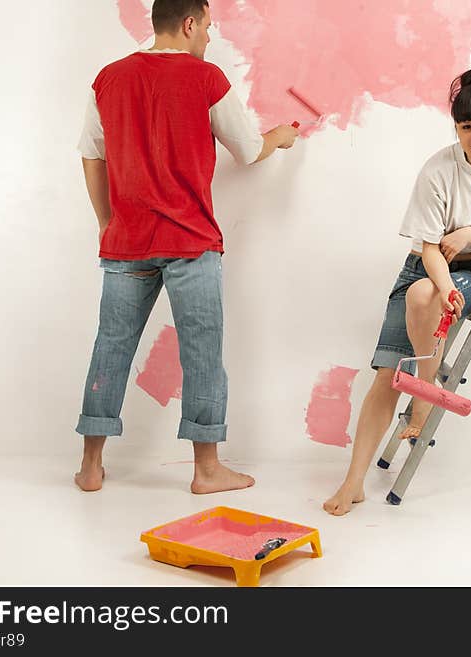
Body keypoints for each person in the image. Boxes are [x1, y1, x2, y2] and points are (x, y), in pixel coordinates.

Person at [73, 0, 299, 494]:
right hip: (191, 241)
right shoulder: (205, 77)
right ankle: (207, 469)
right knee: (201, 354)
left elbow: (92, 156)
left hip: (126, 242)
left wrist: (106, 221)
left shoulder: (107, 78)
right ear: (190, 22)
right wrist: (278, 137)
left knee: (110, 348)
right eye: (208, 28)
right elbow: (246, 149)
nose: (209, 39)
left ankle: (91, 466)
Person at [323, 66, 471, 516]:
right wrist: (443, 284)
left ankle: (421, 401)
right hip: (427, 269)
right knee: (386, 372)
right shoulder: (439, 169)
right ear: (456, 128)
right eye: (467, 127)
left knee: (424, 297)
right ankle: (353, 482)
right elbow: (428, 247)